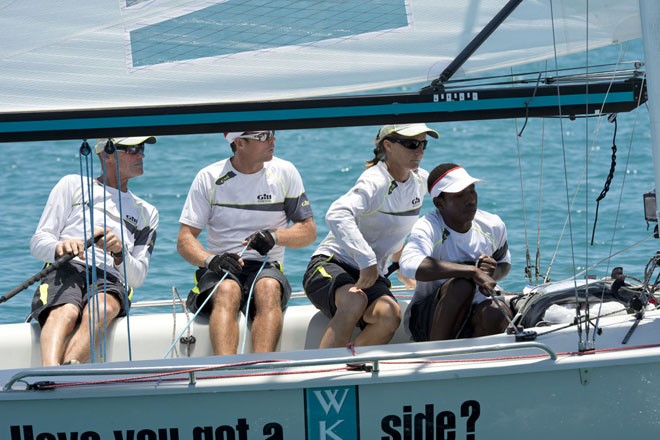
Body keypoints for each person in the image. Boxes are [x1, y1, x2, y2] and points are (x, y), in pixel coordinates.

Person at [177, 130, 316, 355]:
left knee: (268, 287)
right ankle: (226, 371)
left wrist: (275, 237)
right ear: (239, 142)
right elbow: (184, 239)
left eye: (272, 134)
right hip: (220, 266)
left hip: (265, 267)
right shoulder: (209, 177)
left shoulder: (285, 172)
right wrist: (211, 260)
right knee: (227, 289)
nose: (273, 140)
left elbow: (308, 231)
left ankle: (261, 369)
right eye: (263, 136)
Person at [303, 123, 438, 348]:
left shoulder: (420, 181)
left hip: (371, 273)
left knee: (389, 315)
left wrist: (402, 262)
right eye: (412, 144)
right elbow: (337, 214)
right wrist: (366, 261)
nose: (419, 151)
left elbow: (388, 229)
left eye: (424, 144)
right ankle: (321, 372)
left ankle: (350, 366)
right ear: (388, 146)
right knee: (355, 299)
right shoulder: (375, 180)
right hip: (330, 265)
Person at [30, 136, 159, 366]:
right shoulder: (71, 184)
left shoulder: (148, 213)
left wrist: (120, 253)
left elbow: (137, 277)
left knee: (103, 307)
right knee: (66, 311)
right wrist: (60, 247)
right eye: (131, 149)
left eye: (141, 149)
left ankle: (65, 374)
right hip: (67, 265)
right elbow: (39, 242)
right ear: (106, 154)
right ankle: (49, 373)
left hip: (111, 278)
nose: (140, 154)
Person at [400, 163, 512, 342]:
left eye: (472, 191)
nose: (470, 200)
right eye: (459, 195)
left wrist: (492, 272)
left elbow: (504, 264)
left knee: (496, 312)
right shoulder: (428, 226)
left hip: (474, 314)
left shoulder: (492, 225)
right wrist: (472, 271)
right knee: (462, 285)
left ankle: (476, 361)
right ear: (439, 203)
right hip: (427, 321)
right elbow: (408, 265)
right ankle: (437, 354)